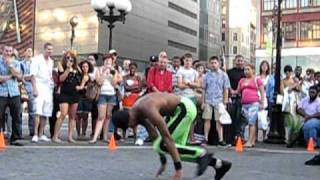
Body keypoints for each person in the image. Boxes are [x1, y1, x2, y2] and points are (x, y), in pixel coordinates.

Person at [112, 93, 232, 180]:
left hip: (185, 108)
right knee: (177, 152)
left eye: (129, 126)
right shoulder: (137, 113)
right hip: (179, 111)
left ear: (130, 118)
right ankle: (220, 165)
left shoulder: (146, 108)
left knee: (165, 144)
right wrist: (163, 161)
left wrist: (178, 170)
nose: (132, 127)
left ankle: (202, 154)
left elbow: (166, 137)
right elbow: (154, 136)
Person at [89, 54, 119, 143]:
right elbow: (99, 82)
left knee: (108, 116)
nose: (108, 62)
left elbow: (114, 84)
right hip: (102, 94)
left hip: (111, 95)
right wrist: (104, 72)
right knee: (101, 116)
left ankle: (105, 137)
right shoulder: (99, 69)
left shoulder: (114, 70)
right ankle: (95, 137)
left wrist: (113, 74)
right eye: (106, 60)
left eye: (109, 60)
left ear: (112, 61)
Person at [232, 64, 265, 148]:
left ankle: (249, 141)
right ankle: (252, 140)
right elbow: (237, 91)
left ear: (253, 70)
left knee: (252, 122)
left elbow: (262, 92)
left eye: (248, 69)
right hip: (244, 104)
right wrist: (230, 90)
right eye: (245, 70)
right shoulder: (242, 80)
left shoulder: (257, 80)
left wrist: (262, 103)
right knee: (249, 122)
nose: (246, 71)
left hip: (254, 103)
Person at [52, 50, 81, 143]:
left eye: (71, 57)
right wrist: (68, 69)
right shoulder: (61, 65)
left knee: (72, 116)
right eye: (67, 57)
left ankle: (70, 136)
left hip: (74, 93)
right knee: (63, 114)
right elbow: (61, 79)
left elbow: (81, 77)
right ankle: (55, 136)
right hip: (65, 92)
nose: (70, 59)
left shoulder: (77, 67)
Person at [202, 56, 230, 146]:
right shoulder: (207, 75)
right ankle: (205, 139)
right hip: (208, 100)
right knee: (207, 119)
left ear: (219, 63)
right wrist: (203, 102)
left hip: (219, 100)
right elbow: (203, 89)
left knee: (219, 121)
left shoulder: (224, 75)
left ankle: (221, 140)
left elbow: (226, 89)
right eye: (212, 63)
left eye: (215, 63)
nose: (213, 65)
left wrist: (225, 102)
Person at [30, 42, 54, 143]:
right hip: (39, 86)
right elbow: (32, 75)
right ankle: (35, 134)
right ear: (44, 49)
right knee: (38, 112)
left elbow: (50, 75)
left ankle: (41, 134)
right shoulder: (36, 60)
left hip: (48, 88)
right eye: (48, 49)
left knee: (45, 112)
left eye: (51, 50)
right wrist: (34, 88)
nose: (50, 51)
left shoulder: (51, 61)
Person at [0, 45, 23, 146]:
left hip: (14, 93)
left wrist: (10, 66)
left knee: (16, 116)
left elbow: (19, 76)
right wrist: (10, 76)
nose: (8, 53)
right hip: (2, 92)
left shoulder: (16, 63)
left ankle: (15, 138)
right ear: (2, 51)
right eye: (6, 51)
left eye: (10, 51)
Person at [227, 55, 246, 142]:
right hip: (232, 97)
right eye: (238, 60)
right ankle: (230, 137)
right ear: (235, 61)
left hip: (243, 98)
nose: (240, 62)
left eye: (241, 60)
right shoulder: (230, 72)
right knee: (231, 117)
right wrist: (232, 92)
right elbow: (227, 84)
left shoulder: (245, 72)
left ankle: (239, 137)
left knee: (241, 118)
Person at [76, 60, 94, 138]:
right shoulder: (77, 76)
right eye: (83, 66)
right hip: (79, 97)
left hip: (87, 98)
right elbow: (77, 88)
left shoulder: (90, 77)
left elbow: (92, 87)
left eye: (86, 66)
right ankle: (78, 133)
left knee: (85, 116)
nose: (85, 68)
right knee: (78, 116)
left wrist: (89, 87)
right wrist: (83, 85)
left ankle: (83, 133)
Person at [20, 48, 35, 136]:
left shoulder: (35, 63)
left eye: (31, 51)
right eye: (28, 50)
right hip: (22, 88)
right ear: (24, 52)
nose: (29, 52)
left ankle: (32, 131)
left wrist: (26, 77)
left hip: (32, 89)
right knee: (19, 111)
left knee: (32, 111)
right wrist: (29, 77)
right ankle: (19, 131)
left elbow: (36, 76)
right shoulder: (20, 63)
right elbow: (19, 76)